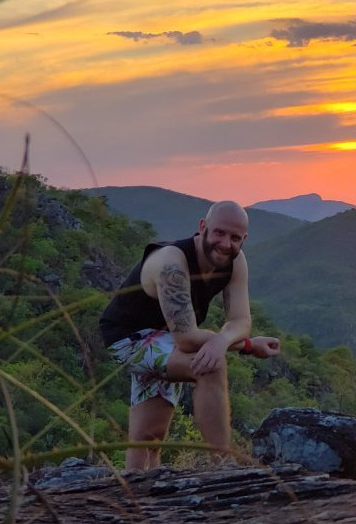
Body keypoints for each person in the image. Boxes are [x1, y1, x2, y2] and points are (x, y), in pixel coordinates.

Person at [99, 200, 280, 470]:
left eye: (235, 238)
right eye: (219, 233)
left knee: (149, 438)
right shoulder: (172, 262)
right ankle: (222, 464)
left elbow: (241, 320)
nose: (225, 243)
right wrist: (242, 346)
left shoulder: (235, 261)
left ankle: (137, 495)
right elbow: (187, 340)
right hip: (128, 338)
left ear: (244, 239)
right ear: (203, 227)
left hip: (166, 340)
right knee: (209, 366)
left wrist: (226, 340)